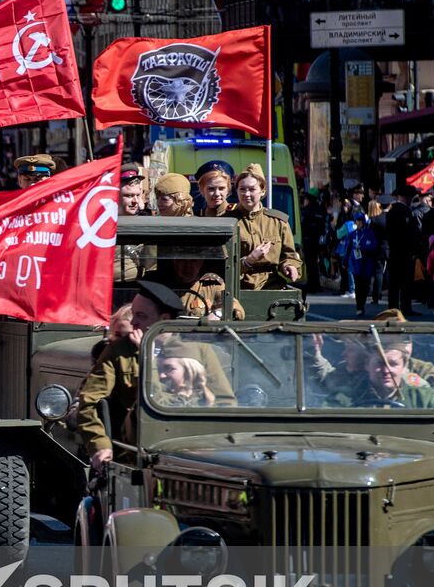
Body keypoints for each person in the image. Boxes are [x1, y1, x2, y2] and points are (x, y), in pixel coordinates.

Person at [75, 281, 233, 466]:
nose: (134, 322)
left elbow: (226, 402)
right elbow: (89, 403)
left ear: (163, 319)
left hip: (193, 451)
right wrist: (100, 446)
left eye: (141, 316)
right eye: (133, 315)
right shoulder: (119, 351)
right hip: (134, 452)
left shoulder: (198, 350)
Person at [233, 164, 302, 290]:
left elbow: (289, 256)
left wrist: (290, 266)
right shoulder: (228, 221)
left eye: (252, 189)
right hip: (237, 286)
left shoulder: (278, 222)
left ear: (263, 191)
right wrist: (249, 260)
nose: (246, 194)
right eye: (242, 189)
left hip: (271, 286)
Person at [344, 210, 380, 316]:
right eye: (357, 221)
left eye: (361, 221)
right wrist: (345, 261)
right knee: (358, 285)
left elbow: (374, 246)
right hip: (356, 264)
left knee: (365, 286)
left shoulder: (369, 233)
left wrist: (364, 248)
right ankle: (359, 306)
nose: (359, 223)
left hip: (367, 264)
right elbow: (347, 248)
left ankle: (362, 303)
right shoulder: (352, 234)